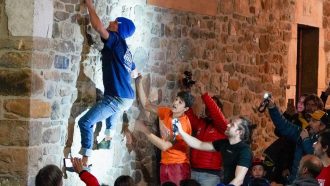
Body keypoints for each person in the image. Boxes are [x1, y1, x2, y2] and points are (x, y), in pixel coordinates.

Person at [79, 0, 138, 166]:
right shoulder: (126, 49)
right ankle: (107, 138)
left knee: (85, 122)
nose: (111, 22)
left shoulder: (116, 40)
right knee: (112, 106)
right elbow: (134, 71)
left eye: (115, 21)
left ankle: (85, 158)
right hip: (126, 97)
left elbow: (99, 28)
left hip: (117, 97)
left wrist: (90, 5)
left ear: (118, 27)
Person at [134, 75, 194, 185]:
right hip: (164, 163)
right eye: (176, 99)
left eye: (180, 102)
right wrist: (138, 83)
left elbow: (165, 146)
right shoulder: (167, 112)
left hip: (178, 166)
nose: (175, 103)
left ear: (185, 109)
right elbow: (147, 105)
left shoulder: (183, 124)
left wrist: (144, 130)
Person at [266, 96, 328, 183]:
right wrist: (272, 108)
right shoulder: (304, 132)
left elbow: (316, 157)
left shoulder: (325, 141)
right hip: (295, 180)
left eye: (314, 121)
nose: (309, 122)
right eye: (310, 119)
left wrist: (305, 140)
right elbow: (284, 126)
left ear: (322, 126)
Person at [175, 116, 253, 186]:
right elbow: (200, 144)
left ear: (239, 132)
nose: (228, 125)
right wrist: (181, 131)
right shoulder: (224, 143)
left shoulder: (244, 150)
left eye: (232, 125)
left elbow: (239, 180)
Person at [184, 82, 228, 186]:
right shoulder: (201, 123)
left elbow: (216, 113)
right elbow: (188, 114)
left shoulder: (223, 127)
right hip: (194, 171)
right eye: (207, 107)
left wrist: (204, 94)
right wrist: (187, 92)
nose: (209, 109)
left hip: (210, 175)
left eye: (211, 106)